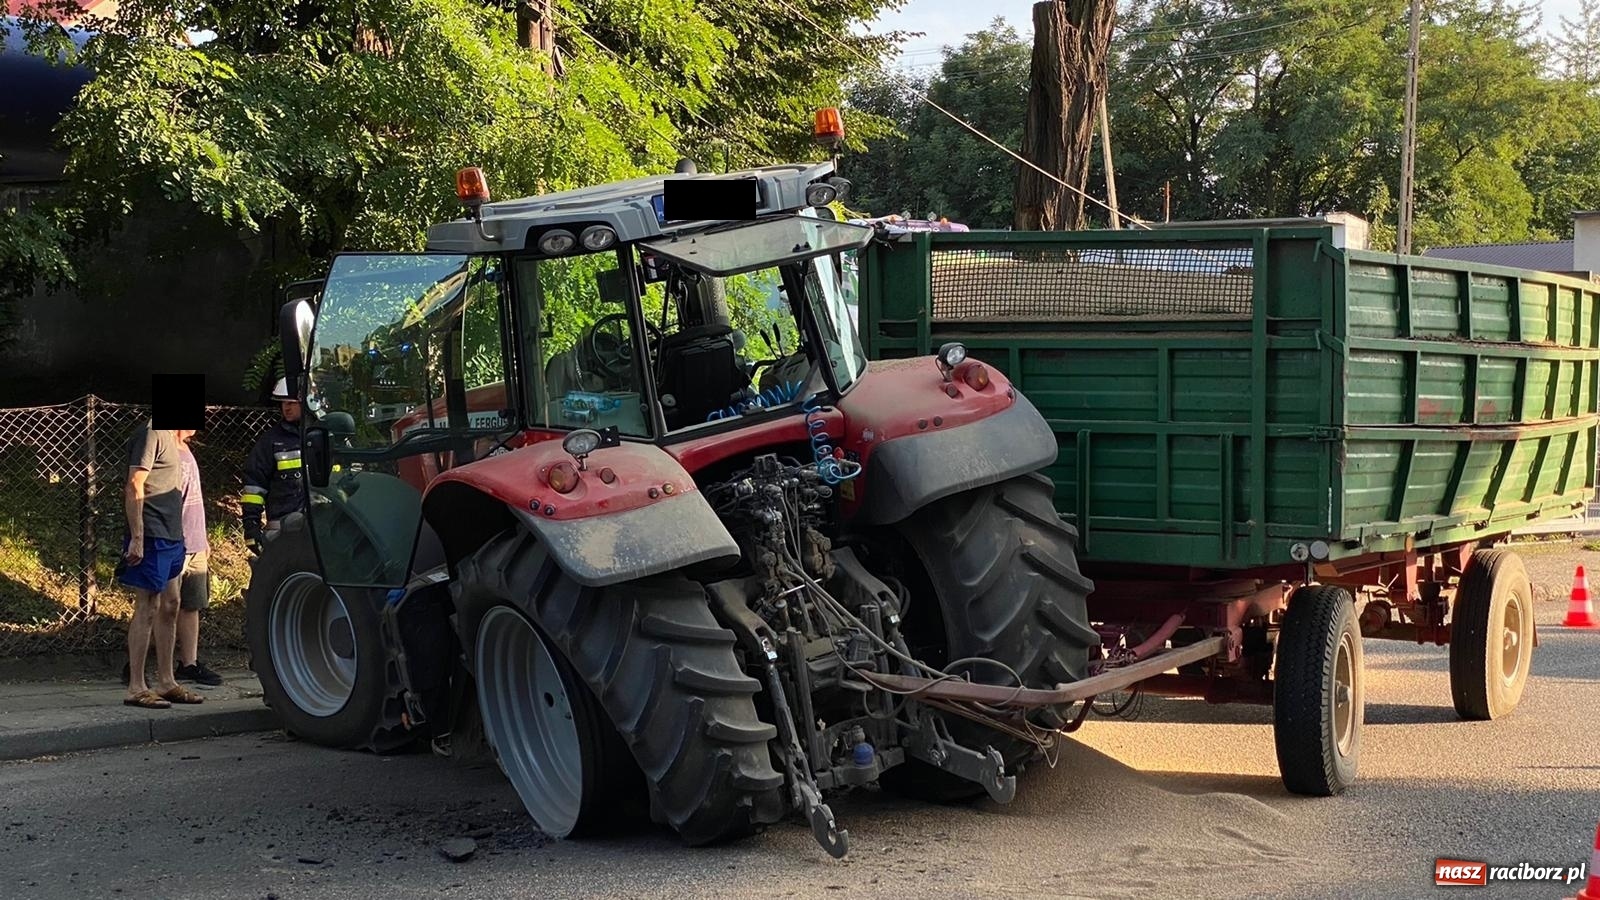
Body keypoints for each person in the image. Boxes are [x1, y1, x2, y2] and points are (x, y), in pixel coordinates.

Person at [121, 430, 223, 687]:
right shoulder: (152, 435)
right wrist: (138, 536)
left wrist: (201, 538)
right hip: (158, 535)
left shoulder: (180, 446)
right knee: (150, 605)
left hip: (179, 536)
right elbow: (135, 483)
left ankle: (172, 677)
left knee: (176, 603)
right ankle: (136, 679)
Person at [242, 377, 306, 556]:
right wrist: (251, 526)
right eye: (284, 402)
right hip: (281, 530)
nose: (286, 407)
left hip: (321, 528)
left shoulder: (323, 436)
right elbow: (254, 486)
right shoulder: (271, 441)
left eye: (292, 402)